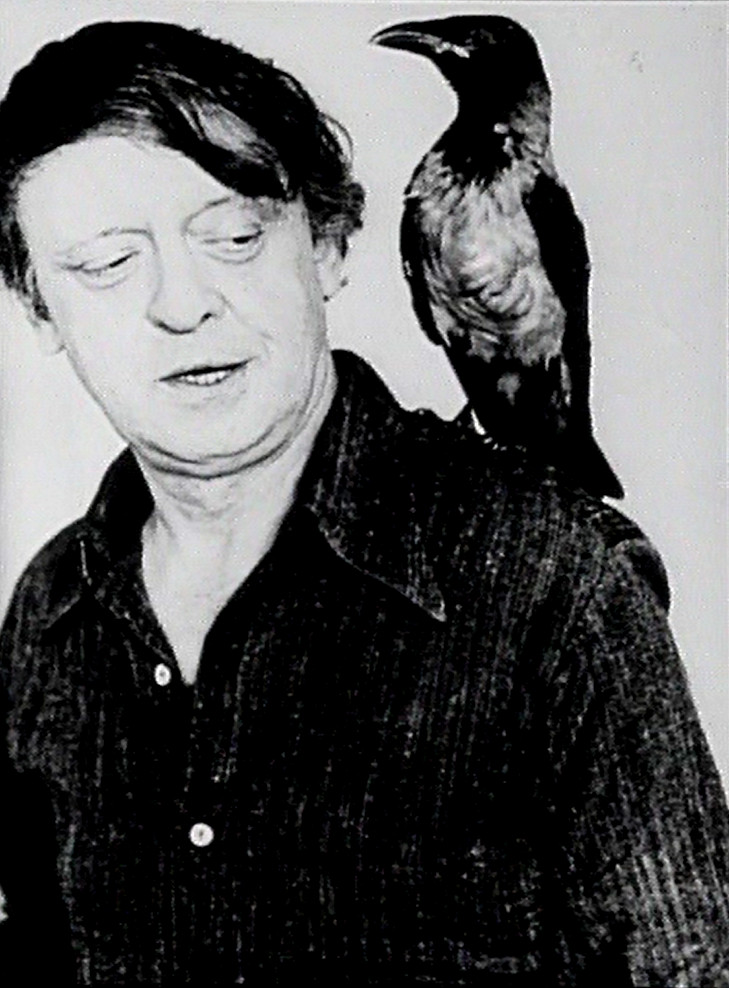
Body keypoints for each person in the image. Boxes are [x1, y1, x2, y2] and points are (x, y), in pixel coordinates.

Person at [0, 19, 727, 987]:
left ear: (331, 245)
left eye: (233, 237)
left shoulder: (560, 590)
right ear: (39, 306)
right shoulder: (48, 614)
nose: (181, 303)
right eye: (105, 263)